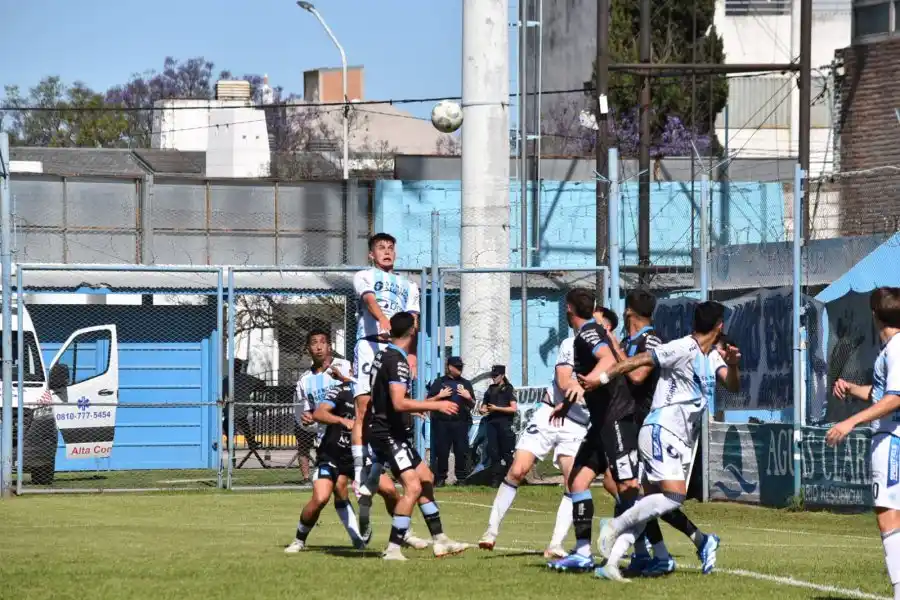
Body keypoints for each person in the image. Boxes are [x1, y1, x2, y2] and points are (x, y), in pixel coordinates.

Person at [585, 301, 739, 582]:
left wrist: (733, 364)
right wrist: (603, 377)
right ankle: (614, 526)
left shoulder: (713, 356)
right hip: (661, 429)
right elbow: (638, 361)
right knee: (674, 496)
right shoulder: (682, 347)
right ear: (719, 326)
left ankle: (612, 563)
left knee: (646, 503)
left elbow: (732, 384)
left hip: (679, 438)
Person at [547, 289, 642, 573]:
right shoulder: (586, 333)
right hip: (600, 422)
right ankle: (582, 553)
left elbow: (608, 360)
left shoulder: (588, 333)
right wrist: (567, 404)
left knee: (627, 488)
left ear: (568, 309)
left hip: (616, 418)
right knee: (577, 481)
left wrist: (590, 380)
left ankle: (650, 550)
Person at [478, 324, 591, 558]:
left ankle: (555, 544)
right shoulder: (570, 344)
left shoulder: (609, 356)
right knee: (517, 470)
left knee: (573, 482)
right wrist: (588, 385)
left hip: (577, 424)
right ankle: (490, 531)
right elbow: (563, 382)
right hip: (550, 413)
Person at [364, 311, 469, 561]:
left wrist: (416, 408)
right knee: (412, 487)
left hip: (391, 431)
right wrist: (436, 405)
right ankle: (393, 549)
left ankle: (440, 540)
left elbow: (386, 398)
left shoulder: (383, 355)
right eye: (416, 324)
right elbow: (398, 402)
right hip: (388, 434)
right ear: (412, 331)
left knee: (426, 478)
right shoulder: (398, 362)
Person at [826, 287, 900, 600]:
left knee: (888, 515)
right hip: (891, 438)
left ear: (874, 315)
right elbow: (883, 392)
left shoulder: (896, 348)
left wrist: (850, 421)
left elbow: (894, 399)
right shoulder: (891, 350)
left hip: (892, 440)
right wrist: (852, 388)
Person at [350, 233, 420, 497]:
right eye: (381, 248)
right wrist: (383, 320)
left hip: (395, 350)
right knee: (364, 407)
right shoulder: (364, 276)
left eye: (391, 247)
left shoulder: (409, 285)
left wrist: (411, 354)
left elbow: (412, 321)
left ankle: (378, 469)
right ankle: (359, 472)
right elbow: (369, 300)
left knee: (394, 410)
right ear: (372, 254)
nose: (387, 252)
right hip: (370, 345)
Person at [295, 329, 353, 482]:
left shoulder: (344, 366)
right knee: (328, 487)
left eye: (322, 342)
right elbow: (309, 412)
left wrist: (344, 379)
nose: (319, 347)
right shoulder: (304, 380)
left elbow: (361, 392)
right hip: (327, 441)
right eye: (314, 343)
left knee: (375, 485)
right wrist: (308, 418)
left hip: (351, 435)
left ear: (330, 346)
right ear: (308, 349)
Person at [428, 356, 476, 486]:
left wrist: (468, 397)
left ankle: (461, 478)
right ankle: (440, 478)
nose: (460, 369)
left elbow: (473, 404)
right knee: (442, 451)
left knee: (461, 451)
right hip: (442, 422)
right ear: (449, 367)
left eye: (461, 366)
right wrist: (440, 396)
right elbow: (427, 401)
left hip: (460, 422)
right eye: (457, 367)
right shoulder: (440, 382)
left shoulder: (466, 383)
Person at [222, 358, 266, 467]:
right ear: (240, 367)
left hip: (230, 411)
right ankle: (251, 442)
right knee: (245, 425)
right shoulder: (246, 379)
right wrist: (250, 390)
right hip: (241, 410)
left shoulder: (226, 380)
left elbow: (222, 396)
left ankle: (232, 456)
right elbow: (261, 383)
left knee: (229, 435)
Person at [481, 365, 518, 487]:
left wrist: (497, 408)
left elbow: (513, 408)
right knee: (493, 451)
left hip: (504, 423)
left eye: (496, 376)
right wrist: (482, 410)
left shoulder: (508, 389)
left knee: (506, 452)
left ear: (502, 376)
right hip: (492, 423)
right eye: (492, 375)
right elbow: (484, 406)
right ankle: (495, 479)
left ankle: (512, 478)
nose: (493, 378)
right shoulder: (490, 389)